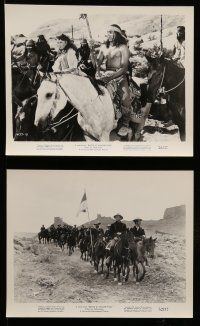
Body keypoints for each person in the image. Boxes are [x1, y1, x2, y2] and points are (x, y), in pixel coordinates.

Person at [91, 24, 132, 137]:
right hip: (104, 74)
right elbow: (97, 65)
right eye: (107, 32)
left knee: (125, 98)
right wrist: (92, 54)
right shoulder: (104, 47)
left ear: (116, 34)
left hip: (119, 75)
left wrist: (111, 77)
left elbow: (124, 68)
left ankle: (125, 124)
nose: (108, 34)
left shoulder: (123, 48)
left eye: (110, 32)